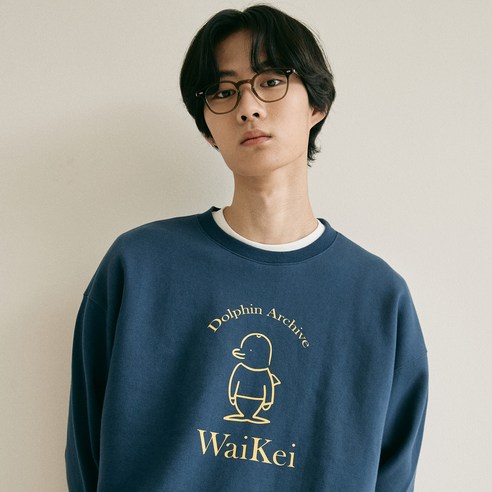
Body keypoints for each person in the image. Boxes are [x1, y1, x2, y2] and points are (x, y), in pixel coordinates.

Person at [65, 5, 428, 491]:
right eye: (223, 91)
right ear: (206, 125)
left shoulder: (378, 297)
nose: (248, 107)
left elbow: (393, 475)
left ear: (316, 104)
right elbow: (85, 449)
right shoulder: (139, 266)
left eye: (271, 81)